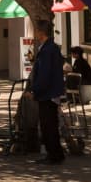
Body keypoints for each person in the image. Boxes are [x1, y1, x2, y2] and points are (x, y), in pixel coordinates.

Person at [27, 20, 67, 164]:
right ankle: (56, 153)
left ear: (41, 32)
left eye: (36, 30)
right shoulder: (51, 48)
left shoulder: (47, 49)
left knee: (48, 125)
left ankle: (53, 154)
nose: (35, 33)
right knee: (51, 124)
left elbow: (44, 74)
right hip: (52, 92)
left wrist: (35, 91)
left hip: (47, 93)